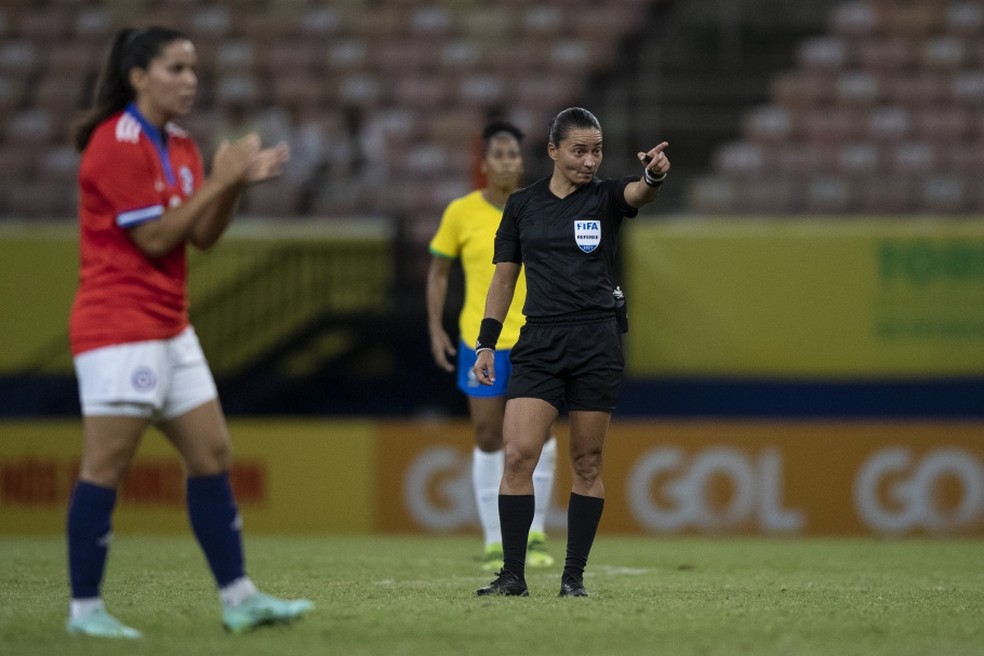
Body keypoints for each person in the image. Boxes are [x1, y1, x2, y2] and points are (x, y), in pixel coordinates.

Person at [65, 26, 313, 638]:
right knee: (108, 464)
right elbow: (151, 238)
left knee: (213, 454)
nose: (190, 80)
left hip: (170, 325)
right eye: (176, 68)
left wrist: (233, 187)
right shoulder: (114, 143)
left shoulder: (180, 145)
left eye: (194, 68)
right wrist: (221, 183)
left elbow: (199, 236)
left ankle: (239, 597)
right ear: (139, 76)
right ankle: (85, 611)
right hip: (119, 325)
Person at [471, 107, 670, 597]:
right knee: (517, 454)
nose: (589, 160)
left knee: (586, 462)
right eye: (579, 151)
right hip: (538, 341)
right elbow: (503, 277)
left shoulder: (605, 196)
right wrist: (486, 342)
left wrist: (651, 175)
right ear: (554, 151)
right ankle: (512, 576)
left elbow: (637, 192)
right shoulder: (522, 205)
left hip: (596, 341)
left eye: (597, 150)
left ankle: (572, 578)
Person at [427, 121, 558, 572]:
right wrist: (434, 326)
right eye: (498, 154)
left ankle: (536, 533)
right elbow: (438, 271)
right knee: (487, 437)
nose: (507, 162)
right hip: (477, 342)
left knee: (538, 436)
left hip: (535, 339)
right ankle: (493, 541)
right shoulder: (460, 212)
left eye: (513, 155)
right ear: (483, 164)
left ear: (523, 163)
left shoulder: (539, 206)